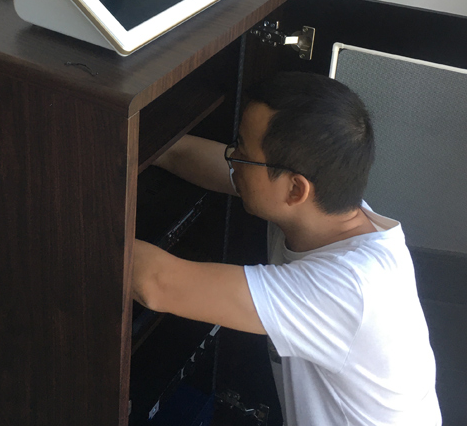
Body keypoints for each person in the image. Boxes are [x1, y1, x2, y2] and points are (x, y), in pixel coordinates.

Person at [133, 72, 441, 426]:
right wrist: (144, 142)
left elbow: (157, 284)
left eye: (243, 152)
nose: (233, 158)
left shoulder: (346, 289)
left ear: (296, 190)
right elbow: (213, 164)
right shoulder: (325, 211)